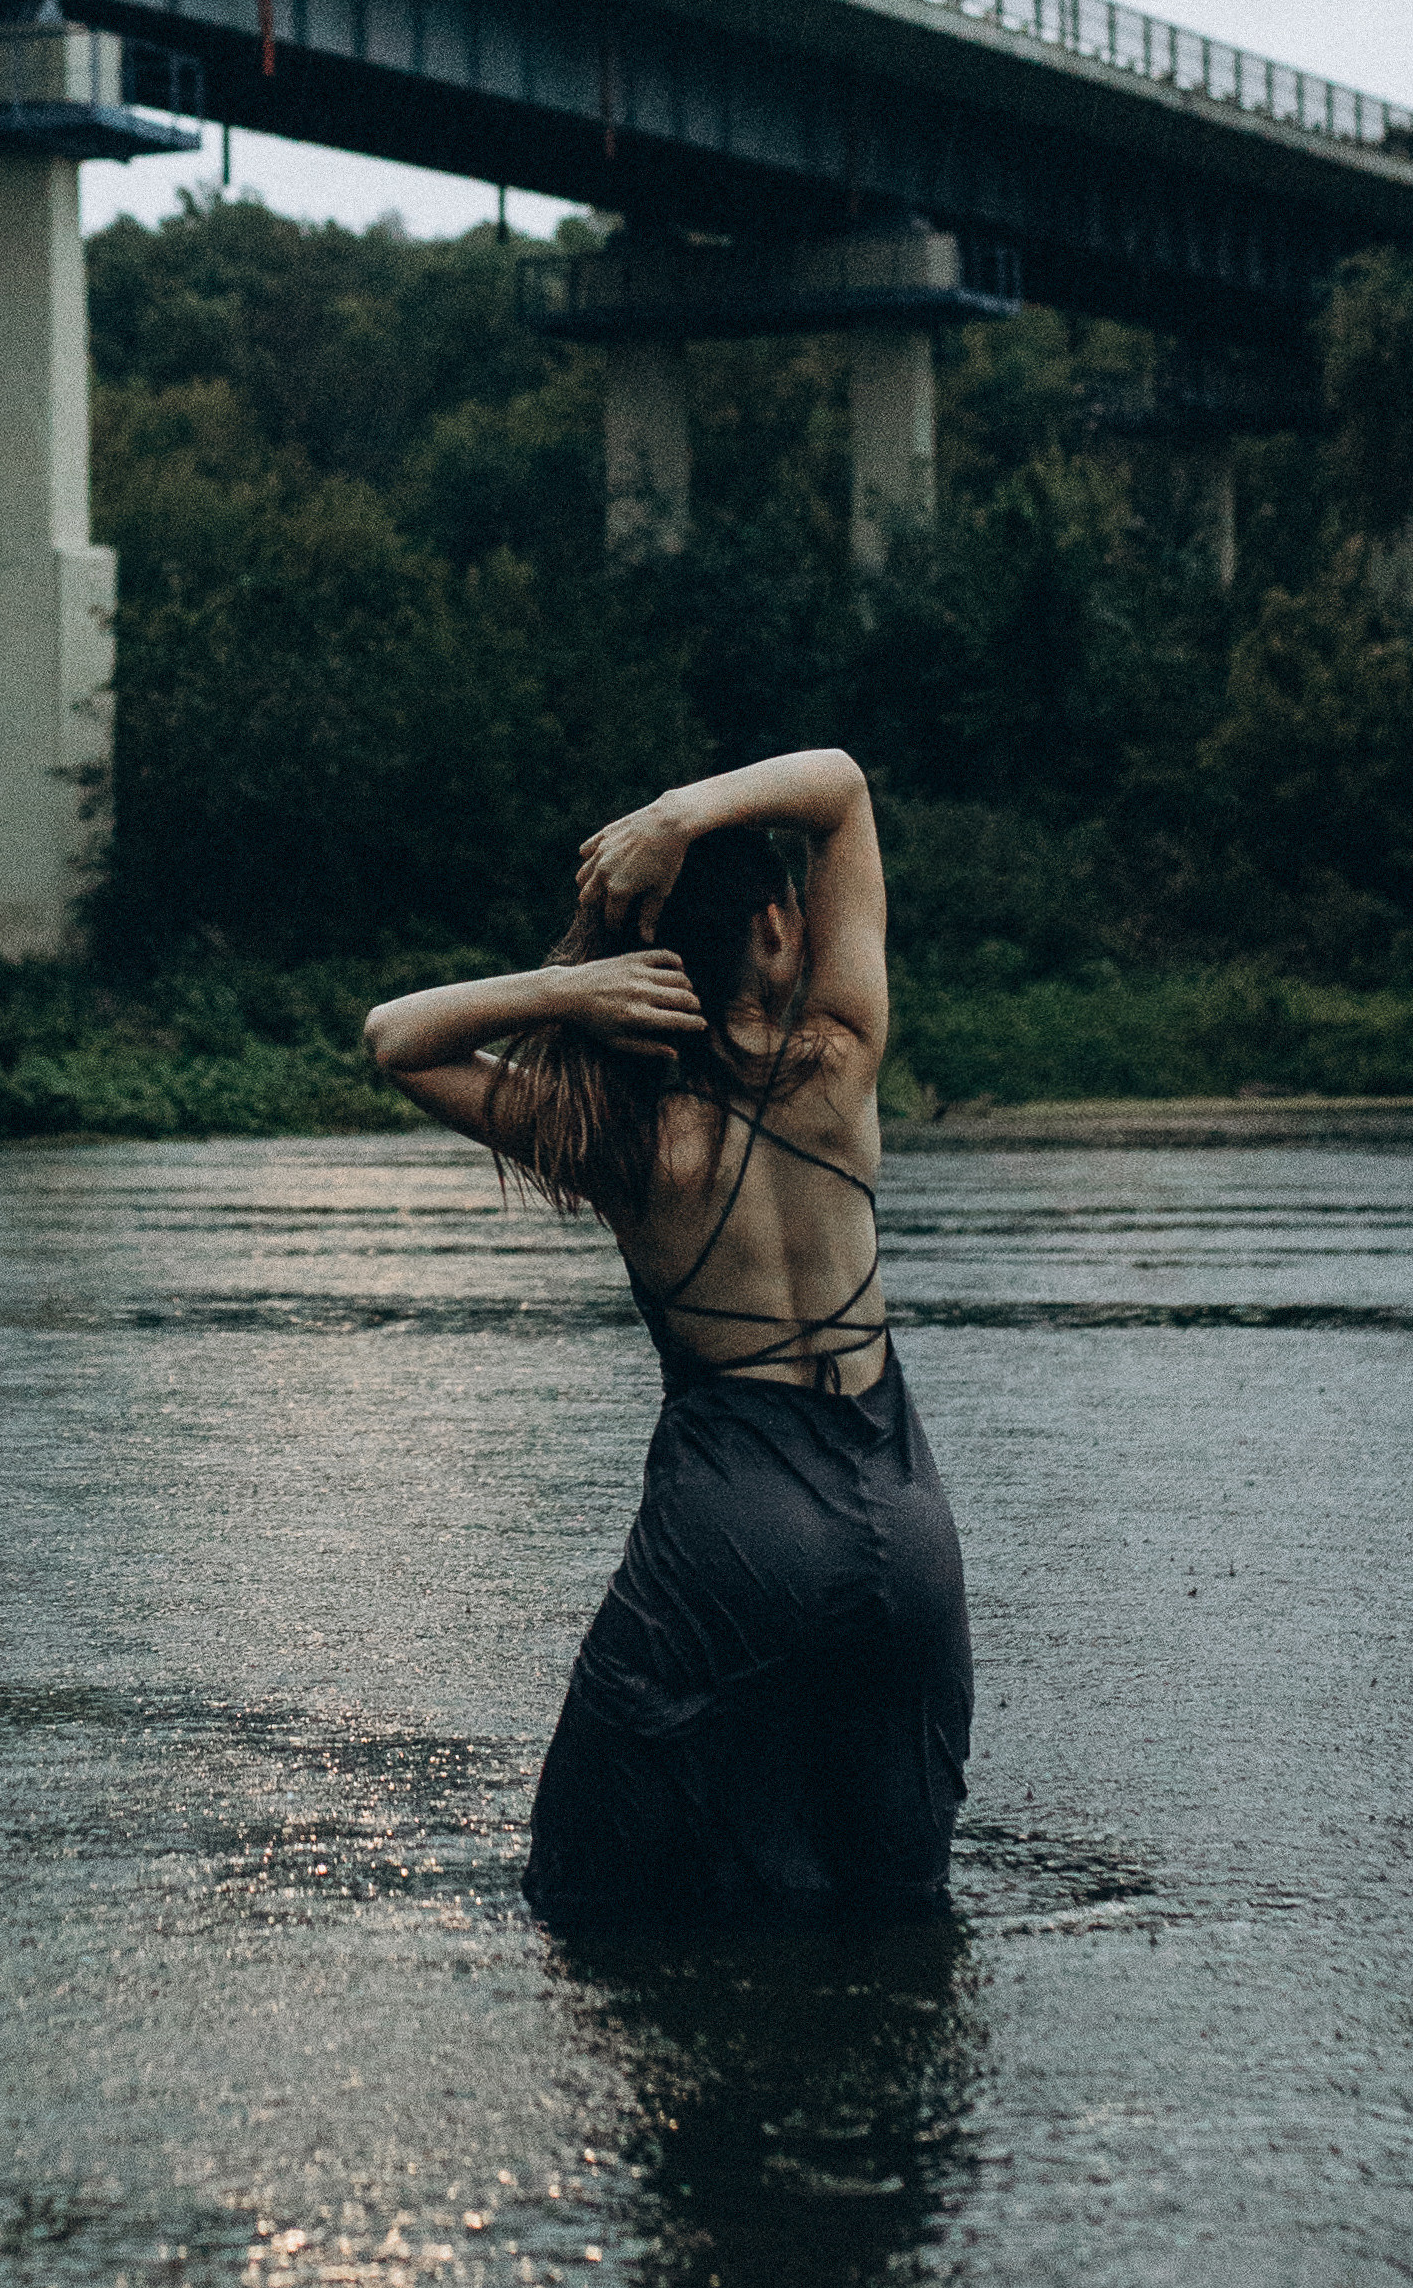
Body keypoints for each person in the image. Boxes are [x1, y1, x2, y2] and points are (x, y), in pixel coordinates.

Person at [363, 749, 972, 1926]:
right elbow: (840, 786)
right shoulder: (840, 1060)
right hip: (906, 1523)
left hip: (732, 1528)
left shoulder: (616, 1137)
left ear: (640, 972)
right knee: (894, 1899)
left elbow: (396, 1037)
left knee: (585, 1889)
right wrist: (677, 817)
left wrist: (567, 994)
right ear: (779, 929)